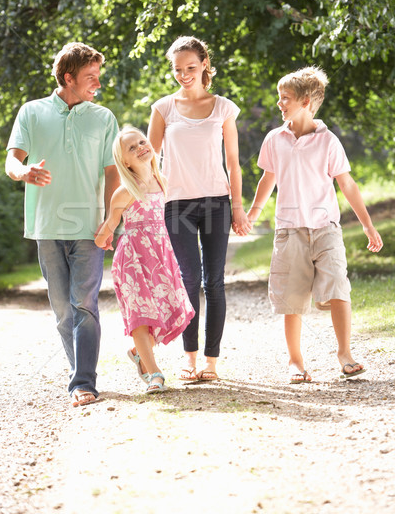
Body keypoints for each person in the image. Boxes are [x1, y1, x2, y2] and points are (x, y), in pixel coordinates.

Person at [247, 66, 383, 383]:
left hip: (326, 229)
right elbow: (268, 179)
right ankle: (296, 362)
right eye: (279, 98)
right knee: (292, 297)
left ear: (306, 101)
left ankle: (345, 354)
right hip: (289, 230)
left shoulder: (328, 141)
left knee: (338, 286)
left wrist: (367, 225)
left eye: (285, 98)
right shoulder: (274, 139)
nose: (279, 104)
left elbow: (347, 185)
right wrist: (252, 214)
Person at [5, 42, 120, 407]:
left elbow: (112, 173)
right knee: (62, 311)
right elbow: (11, 160)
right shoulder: (32, 112)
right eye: (90, 78)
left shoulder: (103, 118)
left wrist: (109, 221)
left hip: (88, 227)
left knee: (84, 304)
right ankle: (80, 374)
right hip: (46, 227)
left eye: (98, 78)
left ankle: (83, 382)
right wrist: (24, 172)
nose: (97, 84)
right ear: (68, 77)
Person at [148, 36, 251, 382]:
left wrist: (238, 208)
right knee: (188, 280)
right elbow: (147, 163)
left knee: (215, 282)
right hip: (176, 204)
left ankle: (211, 362)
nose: (184, 74)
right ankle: (189, 358)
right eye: (178, 69)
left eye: (190, 67)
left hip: (216, 203)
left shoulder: (223, 107)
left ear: (204, 63)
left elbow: (234, 164)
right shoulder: (163, 108)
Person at [95, 126, 195, 393]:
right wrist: (102, 237)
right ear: (124, 161)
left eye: (142, 141)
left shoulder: (162, 181)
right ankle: (155, 374)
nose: (141, 147)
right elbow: (109, 225)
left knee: (162, 309)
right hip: (133, 259)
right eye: (132, 147)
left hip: (159, 255)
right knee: (140, 315)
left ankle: (138, 352)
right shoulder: (125, 191)